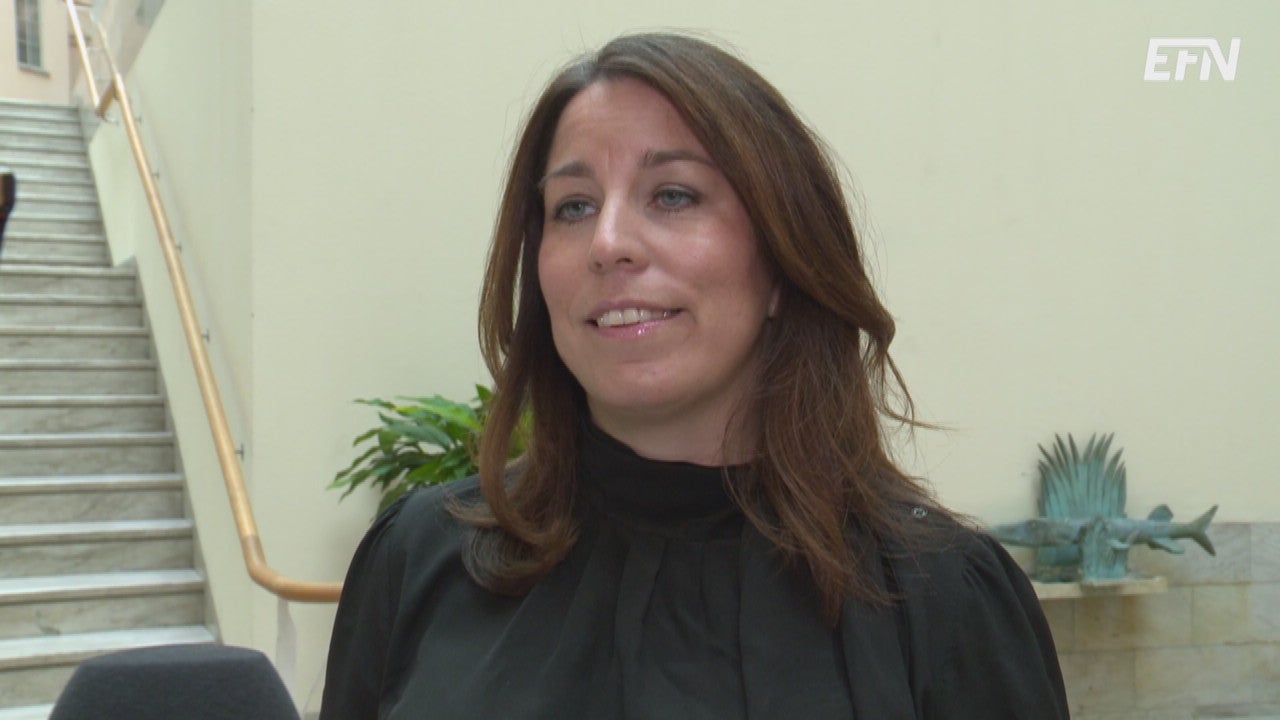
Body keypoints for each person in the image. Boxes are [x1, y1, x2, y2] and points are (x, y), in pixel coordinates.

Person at [321, 32, 1069, 719]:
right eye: (573, 206)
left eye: (673, 195)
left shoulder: (941, 602)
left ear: (783, 261)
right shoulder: (418, 560)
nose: (608, 242)